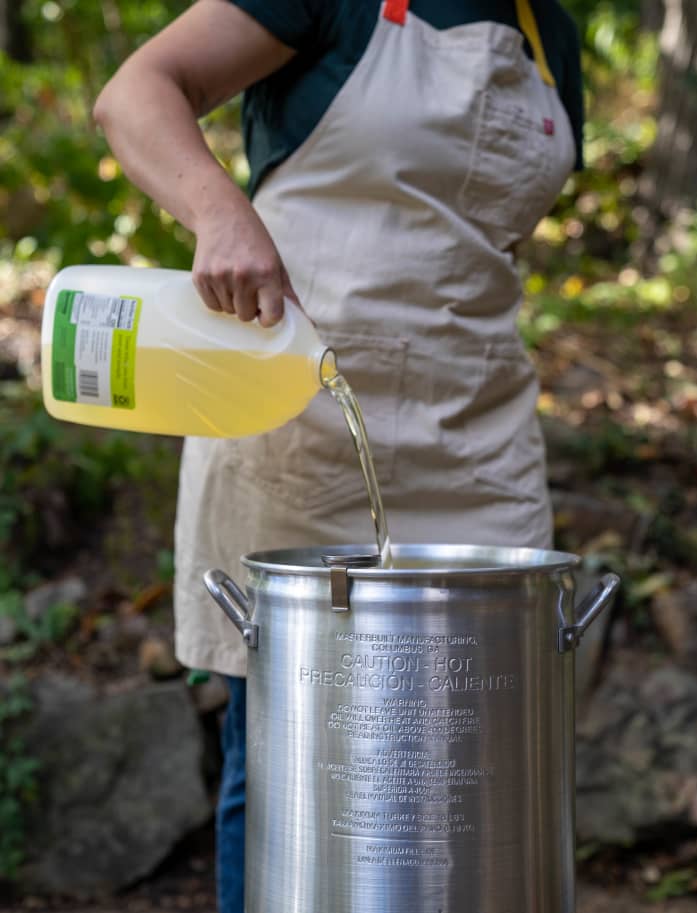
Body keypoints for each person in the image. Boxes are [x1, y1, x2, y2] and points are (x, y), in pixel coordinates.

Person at [93, 0, 583, 910]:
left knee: (489, 764)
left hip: (476, 436)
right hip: (303, 420)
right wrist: (219, 215)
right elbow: (136, 92)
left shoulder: (549, 32)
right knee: (293, 764)